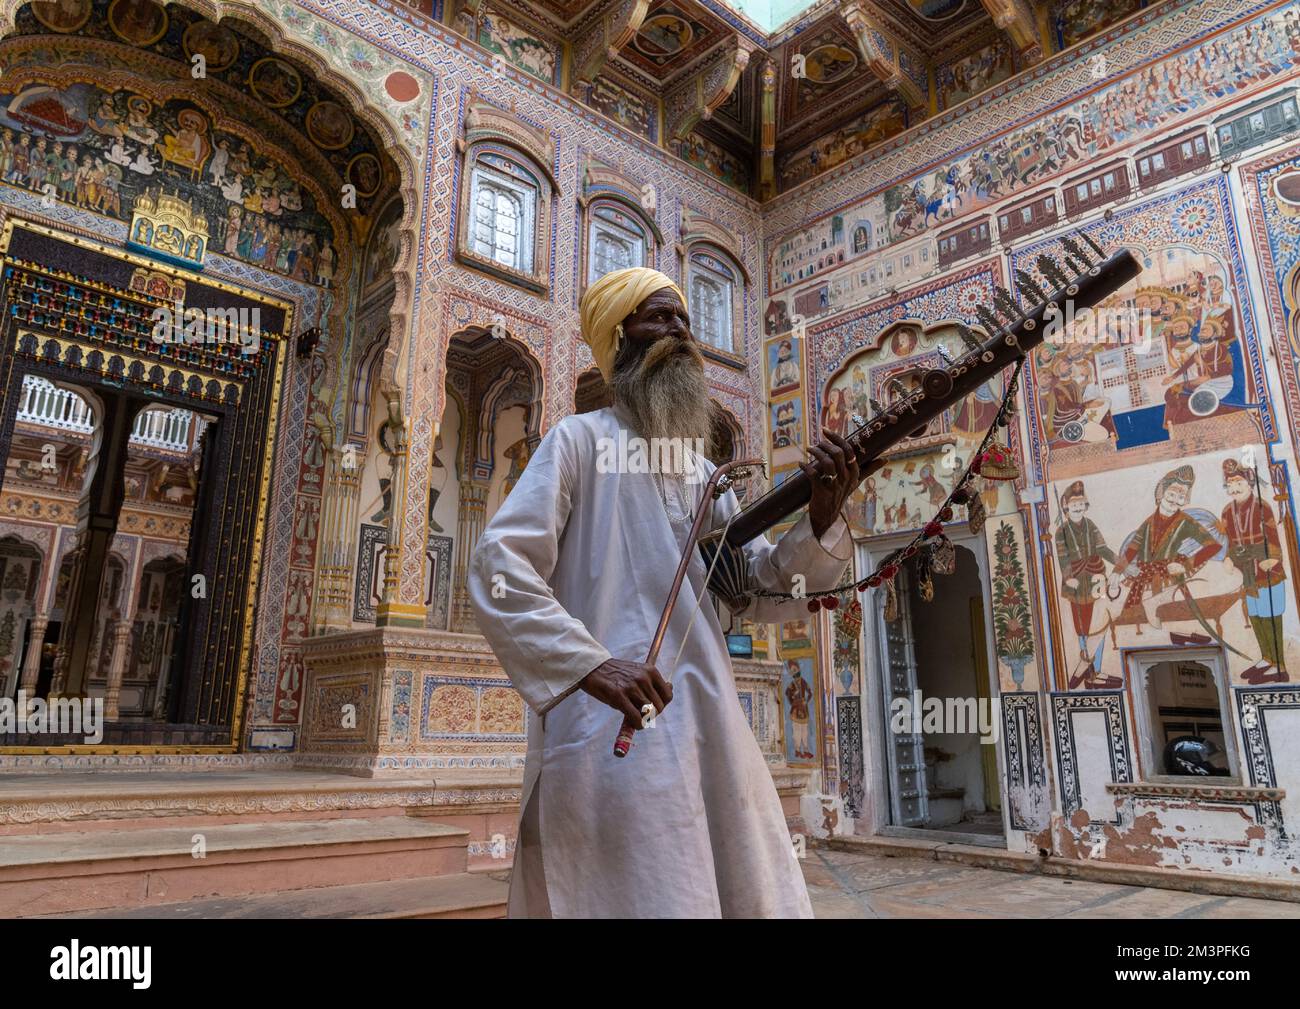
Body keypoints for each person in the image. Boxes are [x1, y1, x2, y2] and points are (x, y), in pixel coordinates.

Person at [469, 267, 857, 918]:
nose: (679, 332)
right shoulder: (577, 443)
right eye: (658, 318)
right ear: (620, 339)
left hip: (710, 739)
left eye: (683, 319)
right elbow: (497, 565)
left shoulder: (707, 475)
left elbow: (755, 588)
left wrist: (819, 519)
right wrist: (591, 663)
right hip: (610, 744)